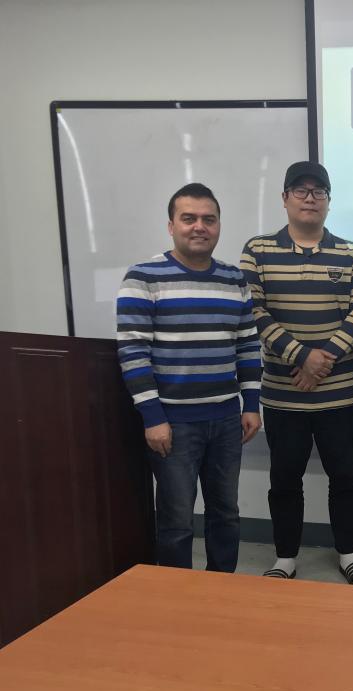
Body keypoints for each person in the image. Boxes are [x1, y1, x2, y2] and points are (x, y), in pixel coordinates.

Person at [240, 161, 353, 584]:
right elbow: (253, 310)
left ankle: (349, 553)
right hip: (283, 394)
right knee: (284, 480)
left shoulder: (350, 253)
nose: (310, 198)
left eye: (319, 192)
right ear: (285, 198)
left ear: (329, 201)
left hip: (339, 393)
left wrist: (323, 359)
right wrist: (301, 357)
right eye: (301, 190)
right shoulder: (257, 250)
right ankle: (285, 557)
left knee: (345, 477)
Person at [116, 183, 262, 571]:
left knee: (226, 514)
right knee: (177, 522)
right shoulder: (143, 277)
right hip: (172, 424)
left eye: (208, 219)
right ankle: (177, 597)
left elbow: (248, 346)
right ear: (171, 226)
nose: (200, 226)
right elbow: (133, 352)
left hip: (226, 421)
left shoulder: (234, 279)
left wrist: (250, 404)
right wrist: (153, 417)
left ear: (218, 226)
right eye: (189, 218)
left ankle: (221, 588)